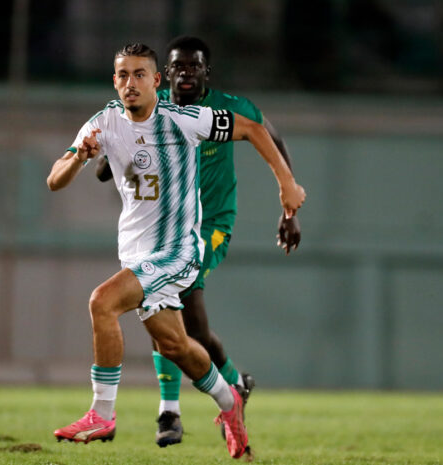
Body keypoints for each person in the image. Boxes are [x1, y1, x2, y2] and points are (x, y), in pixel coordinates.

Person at [47, 43, 305, 459]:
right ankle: (230, 402)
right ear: (115, 81)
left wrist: (286, 186)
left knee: (103, 303)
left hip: (178, 251)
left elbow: (255, 129)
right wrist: (79, 158)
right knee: (176, 345)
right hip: (135, 253)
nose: (130, 83)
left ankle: (102, 413)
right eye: (123, 75)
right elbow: (55, 180)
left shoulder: (184, 119)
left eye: (139, 75)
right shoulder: (103, 122)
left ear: (156, 81)